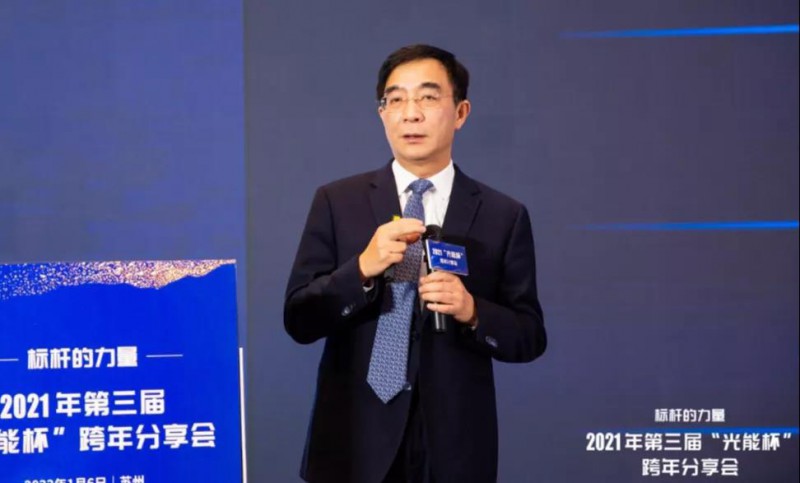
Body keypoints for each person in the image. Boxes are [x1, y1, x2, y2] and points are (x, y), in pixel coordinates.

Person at [284, 44, 546, 483]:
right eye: (396, 100)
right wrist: (361, 269)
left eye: (427, 97)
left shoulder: (503, 215)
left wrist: (473, 311)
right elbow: (299, 319)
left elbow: (530, 335)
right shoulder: (337, 201)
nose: (411, 114)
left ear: (460, 112)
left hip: (454, 445)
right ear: (382, 113)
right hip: (354, 439)